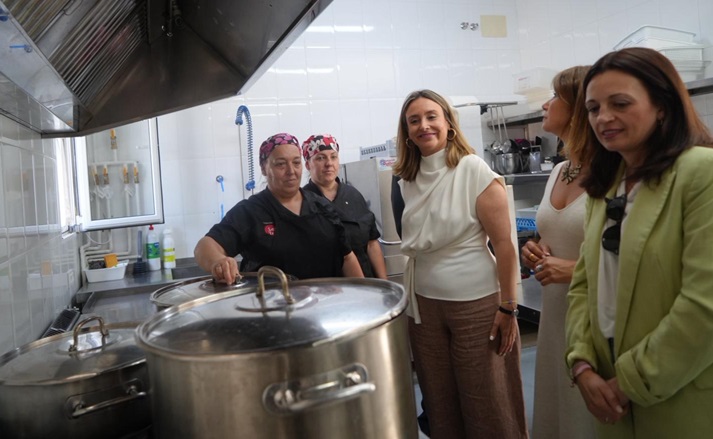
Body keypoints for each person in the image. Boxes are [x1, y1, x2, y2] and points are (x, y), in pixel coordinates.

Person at [564, 47, 713, 438]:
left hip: (680, 394)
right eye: (594, 108)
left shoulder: (700, 173)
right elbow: (583, 286)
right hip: (607, 391)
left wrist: (629, 381)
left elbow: (704, 304)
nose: (603, 118)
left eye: (620, 103)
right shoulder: (604, 188)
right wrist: (581, 364)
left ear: (661, 106)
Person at [394, 89, 528, 438]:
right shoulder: (406, 180)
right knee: (439, 402)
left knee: (486, 400)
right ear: (406, 132)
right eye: (414, 120)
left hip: (475, 303)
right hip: (423, 307)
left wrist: (509, 306)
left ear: (449, 123)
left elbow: (504, 245)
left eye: (431, 116)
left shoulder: (472, 169)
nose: (424, 125)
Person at [520, 66, 597, 439]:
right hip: (555, 314)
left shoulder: (614, 173)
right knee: (557, 412)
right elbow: (555, 232)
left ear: (579, 106)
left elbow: (634, 259)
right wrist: (534, 249)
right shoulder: (560, 170)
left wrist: (573, 269)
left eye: (555, 96)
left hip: (593, 316)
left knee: (586, 418)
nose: (545, 104)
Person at [194, 132, 364, 282]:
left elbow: (346, 257)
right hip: (272, 305)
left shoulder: (322, 207)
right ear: (264, 168)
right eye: (281, 164)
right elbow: (205, 246)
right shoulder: (251, 211)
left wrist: (363, 293)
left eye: (296, 163)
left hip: (325, 304)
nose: (291, 171)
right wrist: (218, 261)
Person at [302, 134, 387, 279]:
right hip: (327, 284)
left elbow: (371, 242)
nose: (329, 163)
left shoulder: (353, 194)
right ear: (308, 165)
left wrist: (384, 282)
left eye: (333, 157)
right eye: (320, 158)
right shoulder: (304, 201)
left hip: (366, 282)